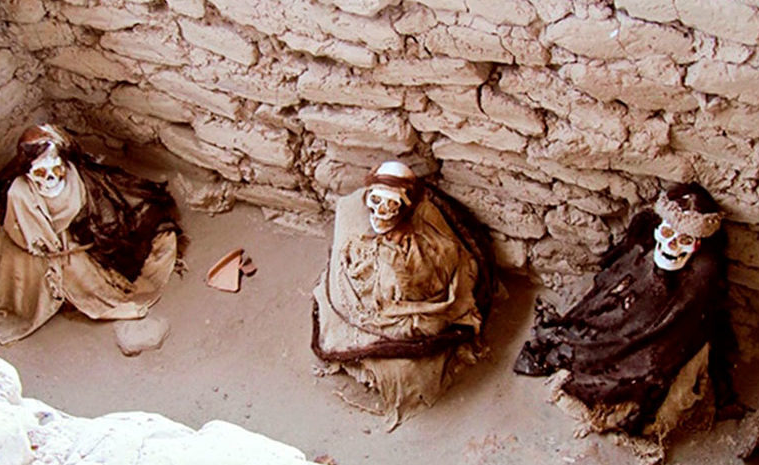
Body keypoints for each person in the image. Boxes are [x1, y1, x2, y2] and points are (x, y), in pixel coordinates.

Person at [514, 182, 735, 441]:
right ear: (658, 230)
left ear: (696, 246)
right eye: (667, 234)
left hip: (660, 342)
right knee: (587, 344)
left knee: (646, 374)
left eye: (684, 241)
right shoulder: (640, 255)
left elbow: (682, 331)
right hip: (623, 318)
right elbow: (606, 293)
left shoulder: (700, 278)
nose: (672, 246)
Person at [311, 160, 494, 428]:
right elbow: (342, 257)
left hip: (408, 313)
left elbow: (442, 271)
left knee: (407, 371)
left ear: (406, 206)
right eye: (376, 201)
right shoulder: (349, 209)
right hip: (365, 309)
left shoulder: (428, 231)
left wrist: (404, 263)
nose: (381, 213)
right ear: (367, 197)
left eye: (391, 205)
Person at [0, 124, 181, 344]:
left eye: (56, 170)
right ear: (28, 173)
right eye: (41, 173)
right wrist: (49, 249)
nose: (51, 179)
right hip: (34, 243)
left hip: (75, 234)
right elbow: (21, 231)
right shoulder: (19, 194)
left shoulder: (76, 179)